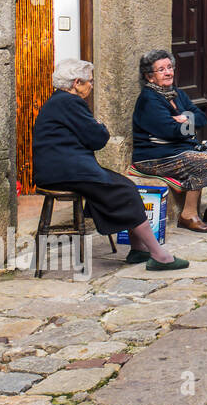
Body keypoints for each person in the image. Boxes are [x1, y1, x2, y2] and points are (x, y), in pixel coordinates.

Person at [32, 59, 188, 270]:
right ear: (77, 82)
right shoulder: (70, 102)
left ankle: (139, 250)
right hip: (66, 171)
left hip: (63, 168)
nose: (92, 86)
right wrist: (100, 125)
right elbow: (98, 137)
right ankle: (159, 255)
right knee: (123, 190)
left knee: (126, 186)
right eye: (90, 82)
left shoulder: (59, 101)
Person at [131, 50, 207, 232]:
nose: (168, 72)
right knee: (204, 163)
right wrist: (185, 121)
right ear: (150, 77)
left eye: (169, 67)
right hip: (153, 157)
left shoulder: (176, 93)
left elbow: (201, 118)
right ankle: (188, 215)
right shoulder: (148, 99)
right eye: (161, 70)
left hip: (179, 150)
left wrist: (183, 118)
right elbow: (170, 131)